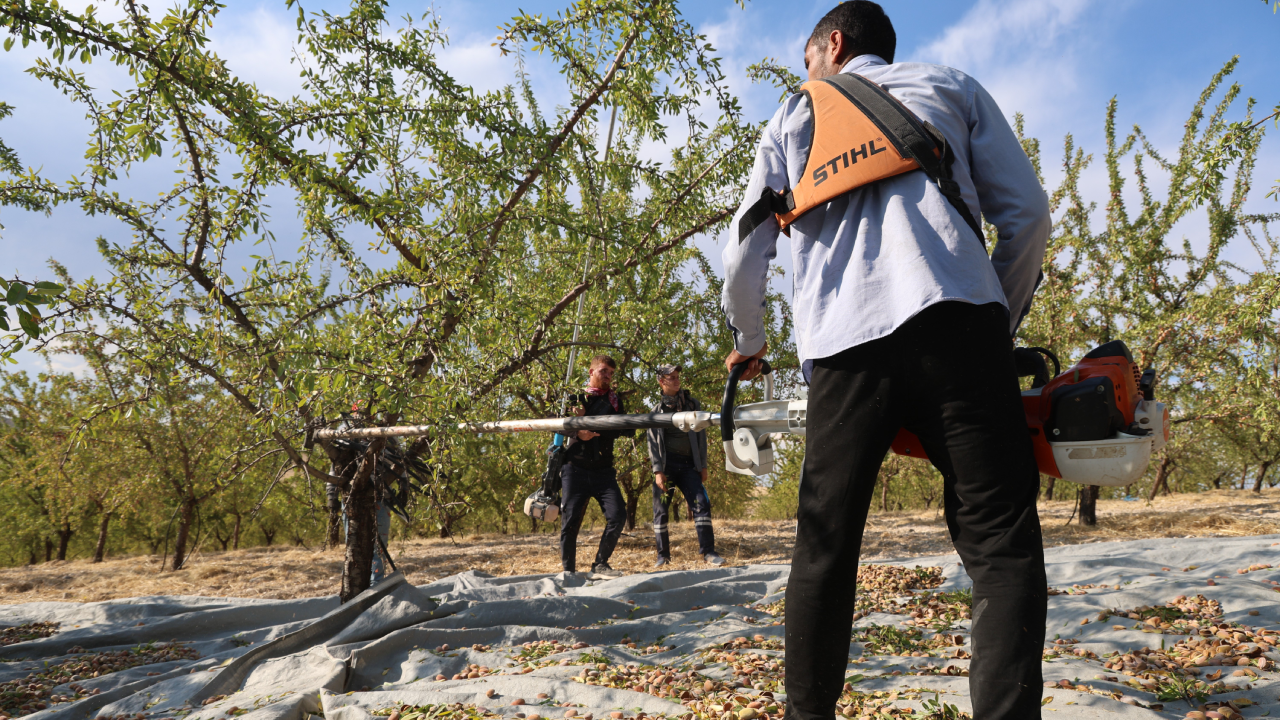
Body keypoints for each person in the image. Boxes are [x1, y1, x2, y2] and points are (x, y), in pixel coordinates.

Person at [720, 3, 1052, 719]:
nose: (805, 72)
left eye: (807, 58)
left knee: (825, 546)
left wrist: (749, 342)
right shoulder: (951, 86)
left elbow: (745, 248)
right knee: (1001, 545)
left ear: (831, 46)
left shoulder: (791, 116)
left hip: (846, 348)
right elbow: (1027, 215)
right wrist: (996, 316)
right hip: (962, 325)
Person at [559, 354, 634, 579]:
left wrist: (625, 425)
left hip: (603, 471)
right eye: (604, 371)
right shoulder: (575, 396)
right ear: (591, 372)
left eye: (611, 373)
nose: (608, 377)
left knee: (618, 515)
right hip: (575, 469)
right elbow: (556, 423)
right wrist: (578, 432)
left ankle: (600, 564)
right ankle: (568, 572)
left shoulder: (614, 401)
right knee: (570, 521)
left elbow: (625, 429)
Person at [645, 364, 725, 568]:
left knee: (701, 504)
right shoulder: (656, 412)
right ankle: (663, 556)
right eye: (671, 377)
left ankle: (708, 552)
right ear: (661, 382)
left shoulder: (691, 405)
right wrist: (658, 471)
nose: (676, 380)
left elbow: (701, 437)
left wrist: (703, 465)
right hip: (667, 466)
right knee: (660, 510)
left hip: (689, 466)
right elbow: (653, 444)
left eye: (677, 376)